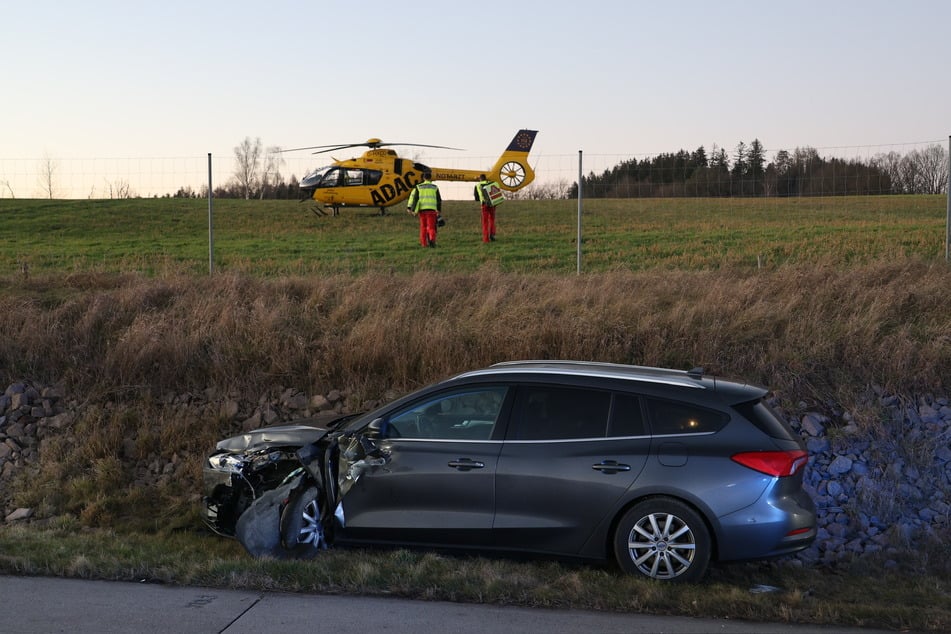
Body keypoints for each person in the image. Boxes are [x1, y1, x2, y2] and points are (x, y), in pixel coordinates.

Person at [407, 171, 442, 248]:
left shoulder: (418, 187)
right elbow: (439, 200)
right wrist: (438, 210)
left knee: (423, 227)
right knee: (431, 227)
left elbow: (415, 199)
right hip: (432, 210)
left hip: (422, 211)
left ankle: (424, 244)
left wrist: (412, 210)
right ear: (430, 178)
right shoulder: (435, 187)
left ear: (423, 178)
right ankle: (432, 240)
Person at [474, 173, 502, 243]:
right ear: (485, 178)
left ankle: (486, 239)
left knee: (485, 222)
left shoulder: (478, 185)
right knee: (492, 219)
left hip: (484, 205)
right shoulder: (491, 183)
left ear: (480, 179)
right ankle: (492, 234)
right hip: (492, 204)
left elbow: (476, 198)